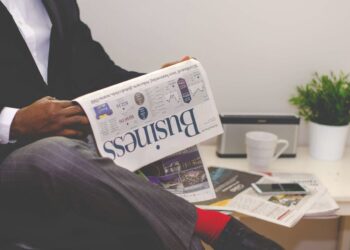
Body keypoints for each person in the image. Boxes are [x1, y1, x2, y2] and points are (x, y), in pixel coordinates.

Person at [0, 1, 283, 249]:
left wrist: (157, 84)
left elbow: (98, 74)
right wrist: (15, 122)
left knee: (152, 223)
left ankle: (214, 232)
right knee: (54, 155)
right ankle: (219, 228)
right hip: (17, 162)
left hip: (77, 158)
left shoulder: (58, 4)